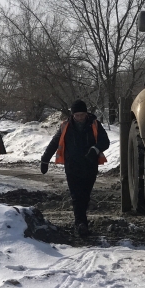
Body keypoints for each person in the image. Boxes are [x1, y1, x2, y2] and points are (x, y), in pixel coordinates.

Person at [41, 100, 109, 237]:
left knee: (85, 195)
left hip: (90, 165)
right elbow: (54, 143)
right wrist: (45, 159)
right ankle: (80, 224)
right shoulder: (66, 126)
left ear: (86, 113)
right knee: (76, 196)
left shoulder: (94, 124)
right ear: (72, 115)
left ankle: (81, 221)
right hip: (72, 166)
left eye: (82, 114)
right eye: (77, 115)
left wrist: (95, 149)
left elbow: (105, 141)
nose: (79, 118)